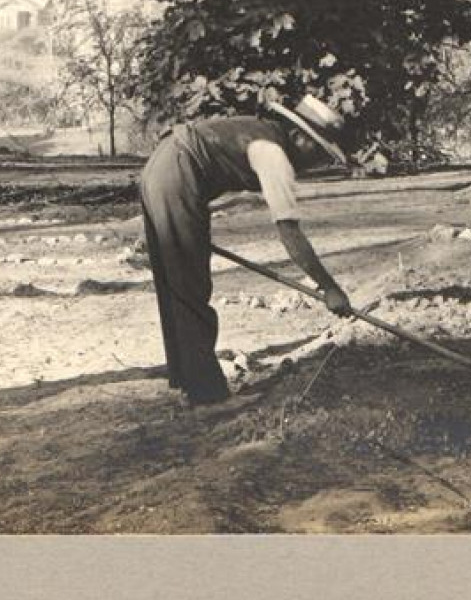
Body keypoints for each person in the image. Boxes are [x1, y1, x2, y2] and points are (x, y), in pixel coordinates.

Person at [138, 95, 354, 406]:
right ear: (298, 136)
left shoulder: (259, 133)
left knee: (178, 282)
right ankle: (206, 393)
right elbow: (289, 232)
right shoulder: (274, 153)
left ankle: (189, 381)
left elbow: (219, 171)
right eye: (319, 150)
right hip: (175, 173)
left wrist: (189, 219)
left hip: (163, 167)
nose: (320, 161)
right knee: (189, 286)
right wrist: (330, 287)